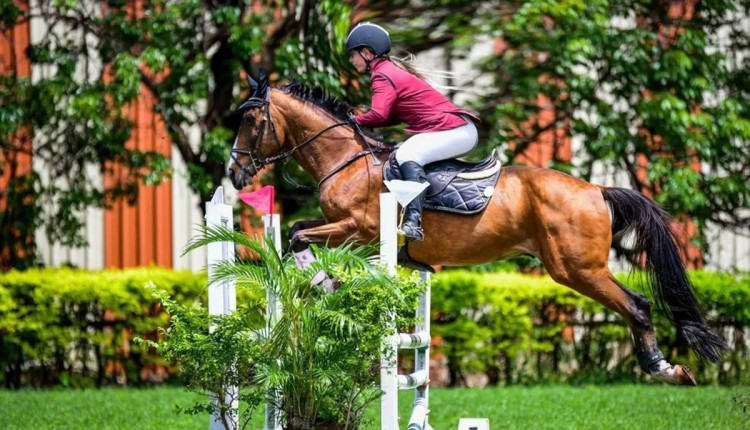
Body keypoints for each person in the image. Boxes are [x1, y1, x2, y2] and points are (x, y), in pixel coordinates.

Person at [346, 22, 479, 242]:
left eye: (354, 55)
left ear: (367, 53)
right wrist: (361, 121)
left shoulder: (382, 75)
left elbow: (378, 115)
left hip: (457, 130)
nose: (352, 61)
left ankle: (413, 222)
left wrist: (353, 120)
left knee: (407, 154)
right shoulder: (388, 70)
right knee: (404, 150)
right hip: (456, 129)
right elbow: (388, 117)